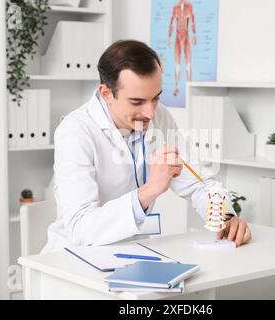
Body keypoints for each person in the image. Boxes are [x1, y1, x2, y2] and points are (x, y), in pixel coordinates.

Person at [43, 40, 251, 252]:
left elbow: (196, 182)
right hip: (74, 257)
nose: (150, 113)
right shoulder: (75, 132)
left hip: (136, 251)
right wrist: (149, 190)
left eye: (155, 98)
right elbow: (80, 228)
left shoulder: (159, 117)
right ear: (106, 94)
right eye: (137, 102)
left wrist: (224, 216)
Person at [167, 0, 197, 96]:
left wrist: (194, 34)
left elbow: (192, 21)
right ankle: (176, 87)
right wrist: (169, 36)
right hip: (177, 37)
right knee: (177, 63)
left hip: (186, 37)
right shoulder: (175, 7)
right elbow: (172, 22)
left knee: (188, 62)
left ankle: (190, 87)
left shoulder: (189, 6)